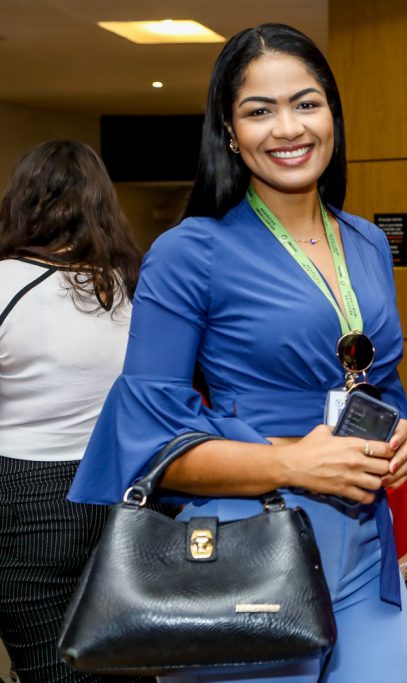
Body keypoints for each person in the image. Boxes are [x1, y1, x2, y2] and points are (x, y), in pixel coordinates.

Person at [68, 24, 407, 682]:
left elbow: (380, 381)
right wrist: (293, 460)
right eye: (260, 110)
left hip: (365, 551)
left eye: (306, 103)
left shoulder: (367, 243)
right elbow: (148, 441)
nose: (289, 128)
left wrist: (404, 432)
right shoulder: (189, 252)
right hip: (245, 549)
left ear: (332, 114)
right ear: (229, 132)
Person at [0, 140, 147, 683]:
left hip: (22, 496)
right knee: (118, 666)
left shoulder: (5, 283)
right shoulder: (129, 290)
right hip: (117, 494)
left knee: (47, 668)